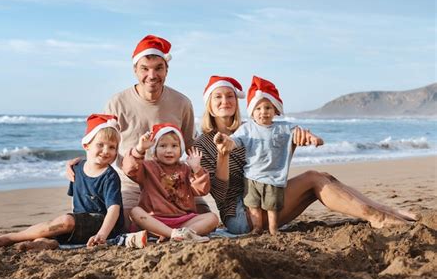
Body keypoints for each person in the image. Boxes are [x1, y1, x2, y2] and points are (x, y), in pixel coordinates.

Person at [194, 75, 418, 235]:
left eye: (230, 96)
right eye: (218, 97)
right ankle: (376, 217)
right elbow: (221, 195)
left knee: (324, 176)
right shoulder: (202, 143)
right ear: (210, 106)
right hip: (241, 217)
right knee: (313, 178)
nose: (225, 101)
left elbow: (272, 172)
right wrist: (222, 155)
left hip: (267, 198)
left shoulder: (253, 129)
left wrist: (292, 142)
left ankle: (384, 210)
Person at [66, 35, 209, 231]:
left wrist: (199, 171)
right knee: (125, 224)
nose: (152, 75)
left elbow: (190, 145)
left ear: (166, 70)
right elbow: (103, 140)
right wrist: (82, 164)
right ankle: (165, 231)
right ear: (135, 70)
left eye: (158, 68)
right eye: (145, 68)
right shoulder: (117, 103)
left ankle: (167, 232)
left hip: (172, 182)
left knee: (205, 217)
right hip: (132, 182)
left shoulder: (182, 103)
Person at [0, 114, 147, 251]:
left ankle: (11, 238)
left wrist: (102, 235)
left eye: (112, 147)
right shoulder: (77, 168)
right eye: (100, 145)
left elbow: (113, 210)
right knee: (56, 226)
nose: (106, 151)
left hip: (104, 225)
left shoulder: (110, 176)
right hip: (81, 223)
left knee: (66, 221)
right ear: (87, 145)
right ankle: (46, 243)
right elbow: (77, 203)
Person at [218, 76, 324, 235]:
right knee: (253, 206)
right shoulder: (247, 129)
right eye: (258, 109)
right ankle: (257, 228)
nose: (263, 112)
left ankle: (274, 229)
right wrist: (226, 142)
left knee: (272, 206)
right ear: (252, 112)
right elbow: (235, 141)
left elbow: (300, 133)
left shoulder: (283, 129)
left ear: (275, 110)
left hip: (273, 178)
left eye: (268, 108)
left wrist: (313, 138)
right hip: (252, 177)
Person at [123, 123, 219, 242]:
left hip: (183, 220)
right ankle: (172, 234)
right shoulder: (147, 167)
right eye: (163, 146)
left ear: (181, 149)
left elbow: (201, 190)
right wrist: (139, 149)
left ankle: (182, 234)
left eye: (174, 146)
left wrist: (197, 170)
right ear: (155, 150)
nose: (169, 150)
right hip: (156, 221)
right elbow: (130, 170)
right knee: (135, 212)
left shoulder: (186, 169)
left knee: (213, 218)